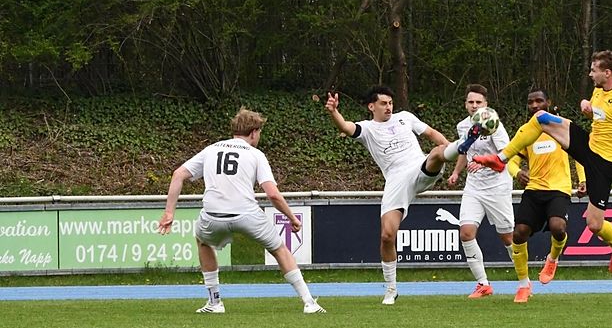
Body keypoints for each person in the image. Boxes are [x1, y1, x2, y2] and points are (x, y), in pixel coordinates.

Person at [474, 50, 612, 273]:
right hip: (588, 145)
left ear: (607, 73)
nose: (590, 74)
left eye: (593, 70)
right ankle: (501, 159)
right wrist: (588, 107)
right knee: (541, 118)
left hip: (605, 164)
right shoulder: (599, 89)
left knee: (594, 225)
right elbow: (603, 117)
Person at [159, 107, 324, 314]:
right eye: (259, 132)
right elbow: (272, 194)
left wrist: (169, 213)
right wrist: (291, 218)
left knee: (203, 242)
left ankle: (215, 302)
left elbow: (178, 174)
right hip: (247, 214)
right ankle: (309, 302)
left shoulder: (210, 149)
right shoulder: (256, 155)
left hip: (213, 216)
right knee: (279, 249)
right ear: (254, 132)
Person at [320, 85, 474, 305]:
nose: (388, 107)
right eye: (383, 103)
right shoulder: (368, 129)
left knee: (437, 153)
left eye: (391, 103)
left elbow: (430, 133)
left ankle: (462, 144)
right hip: (395, 180)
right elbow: (346, 127)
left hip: (419, 167)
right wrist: (334, 111)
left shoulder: (405, 117)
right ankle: (391, 289)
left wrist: (448, 145)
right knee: (387, 235)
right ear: (371, 106)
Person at [506, 88, 586, 303]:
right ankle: (523, 284)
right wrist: (517, 172)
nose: (534, 105)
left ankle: (552, 258)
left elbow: (579, 154)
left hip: (559, 189)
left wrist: (583, 180)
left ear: (548, 102)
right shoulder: (526, 130)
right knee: (519, 233)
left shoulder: (562, 126)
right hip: (534, 189)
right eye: (530, 102)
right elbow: (512, 159)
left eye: (538, 101)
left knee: (558, 227)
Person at [446, 84, 514, 299]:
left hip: (497, 186)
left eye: (478, 102)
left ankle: (524, 280)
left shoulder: (494, 124)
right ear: (465, 104)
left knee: (507, 237)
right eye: (470, 102)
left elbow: (506, 156)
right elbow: (464, 150)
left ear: (486, 104)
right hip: (474, 187)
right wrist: (457, 172)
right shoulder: (462, 126)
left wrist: (483, 163)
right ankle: (483, 284)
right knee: (465, 232)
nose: (474, 106)